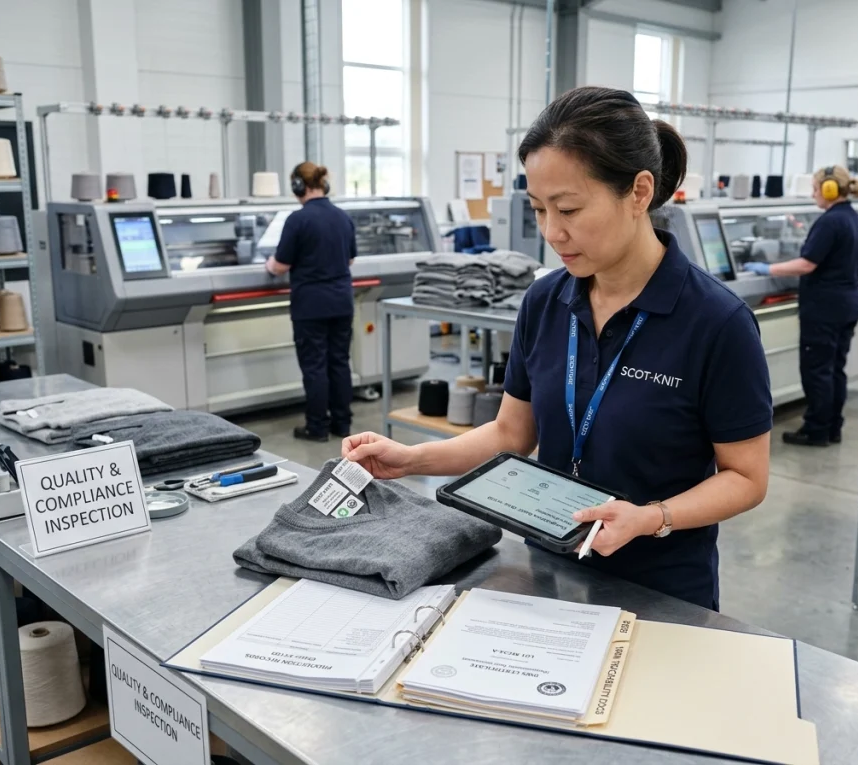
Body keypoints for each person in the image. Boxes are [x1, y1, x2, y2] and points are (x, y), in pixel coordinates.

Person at [342, 87, 774, 611]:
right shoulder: (545, 301)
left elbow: (746, 478)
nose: (552, 232)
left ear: (639, 192)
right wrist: (411, 459)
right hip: (543, 572)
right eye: (539, 209)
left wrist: (649, 517)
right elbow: (511, 433)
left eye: (568, 208)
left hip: (661, 591)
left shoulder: (716, 322)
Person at [743, 166, 858, 446]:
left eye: (814, 189)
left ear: (829, 189)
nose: (813, 195)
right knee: (835, 368)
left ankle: (816, 430)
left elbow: (806, 263)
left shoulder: (830, 222)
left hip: (825, 308)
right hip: (847, 304)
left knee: (817, 370)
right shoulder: (853, 219)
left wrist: (767, 268)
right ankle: (833, 426)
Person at [266, 162, 357, 442]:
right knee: (339, 362)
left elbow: (280, 265)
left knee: (315, 366)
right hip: (342, 301)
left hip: (311, 305)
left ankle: (316, 427)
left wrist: (269, 264)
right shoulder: (343, 217)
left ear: (297, 187)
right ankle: (342, 424)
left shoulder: (298, 219)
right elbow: (350, 259)